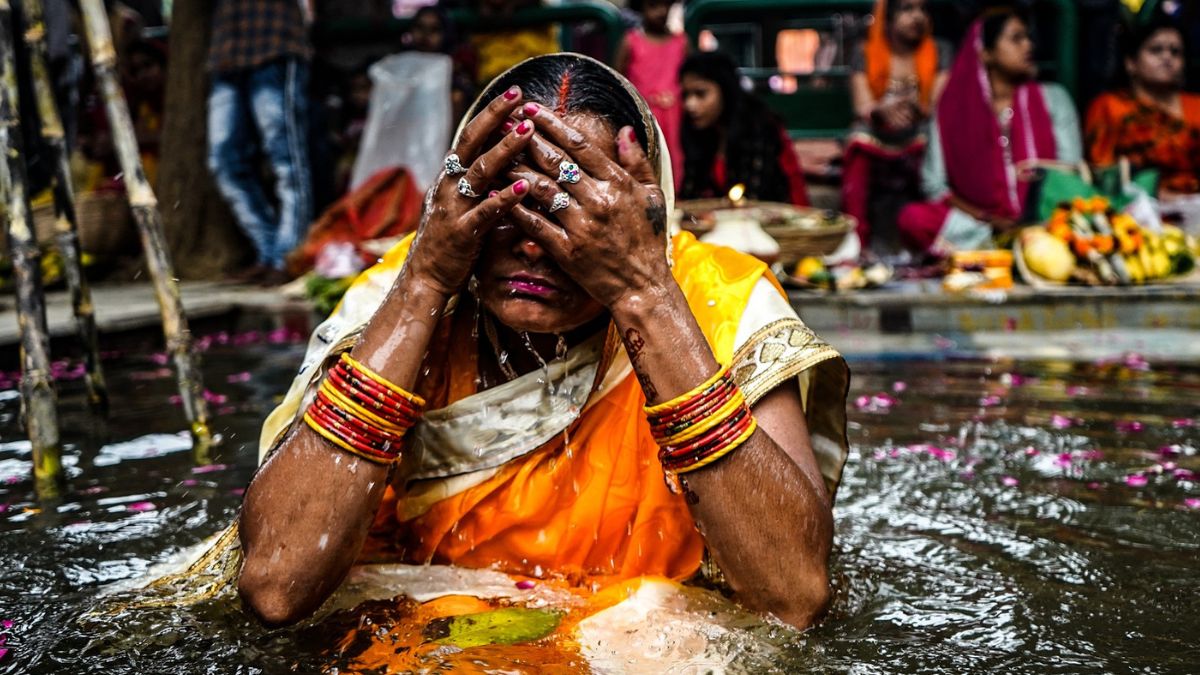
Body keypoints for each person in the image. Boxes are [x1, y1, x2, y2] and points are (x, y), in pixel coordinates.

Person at [235, 54, 849, 647]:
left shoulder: (719, 300)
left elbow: (792, 597)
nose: (532, 245)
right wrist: (424, 281)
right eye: (507, 199)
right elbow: (277, 588)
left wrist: (644, 293)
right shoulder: (403, 290)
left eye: (572, 206)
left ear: (643, 207)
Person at [896, 7, 1081, 256]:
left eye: (1028, 38)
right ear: (985, 54)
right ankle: (1001, 247)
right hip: (980, 229)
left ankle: (1023, 246)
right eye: (1016, 38)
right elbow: (935, 186)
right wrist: (987, 219)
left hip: (1047, 220)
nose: (1028, 46)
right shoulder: (951, 111)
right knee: (914, 218)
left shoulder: (1054, 98)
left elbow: (1070, 170)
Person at [206, 0, 314, 286]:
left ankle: (287, 258)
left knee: (286, 158)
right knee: (224, 159)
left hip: (274, 40)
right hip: (227, 50)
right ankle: (267, 252)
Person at [842, 0, 952, 254]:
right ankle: (857, 242)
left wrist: (910, 107)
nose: (917, 17)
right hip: (878, 131)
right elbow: (863, 106)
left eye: (924, 9)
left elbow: (936, 106)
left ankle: (928, 239)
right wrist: (883, 110)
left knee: (935, 139)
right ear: (887, 18)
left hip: (919, 132)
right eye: (907, 9)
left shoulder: (940, 51)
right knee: (858, 140)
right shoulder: (866, 52)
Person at [1085, 16, 1200, 198]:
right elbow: (1101, 172)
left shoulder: (1196, 105)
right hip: (1135, 207)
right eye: (1156, 50)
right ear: (1131, 63)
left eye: (1176, 52)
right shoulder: (1110, 106)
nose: (1167, 57)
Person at [678, 52, 810, 205]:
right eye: (685, 95)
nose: (690, 105)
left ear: (725, 90)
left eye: (700, 94)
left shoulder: (759, 126)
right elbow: (691, 197)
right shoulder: (698, 132)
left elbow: (754, 198)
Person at [616, 0, 688, 188]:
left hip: (675, 118)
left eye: (666, 5)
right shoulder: (631, 41)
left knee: (676, 162)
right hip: (644, 116)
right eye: (654, 5)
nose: (661, 11)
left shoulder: (681, 42)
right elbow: (617, 78)